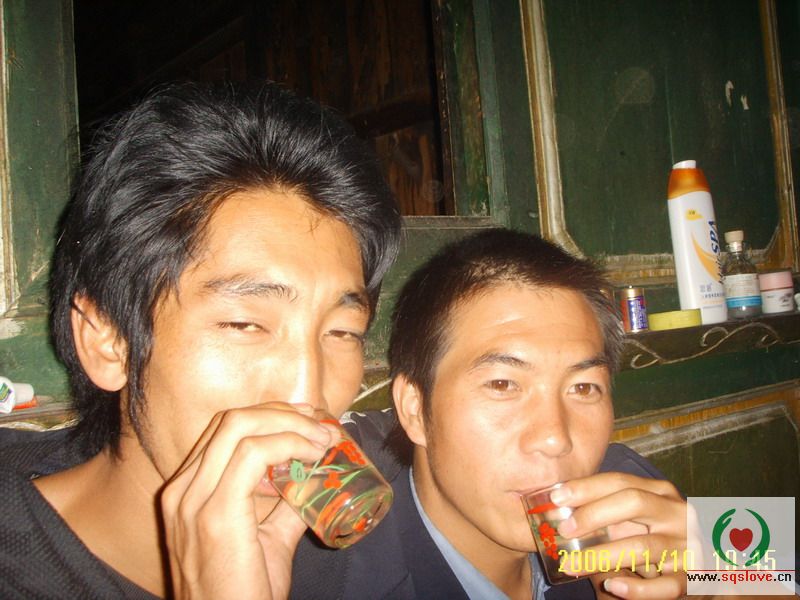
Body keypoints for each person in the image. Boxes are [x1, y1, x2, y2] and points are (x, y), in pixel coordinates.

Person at [0, 80, 400, 599]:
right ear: (107, 341)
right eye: (245, 324)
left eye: (342, 331)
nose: (309, 393)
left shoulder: (340, 548)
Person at [291, 229, 688, 600]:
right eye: (502, 384)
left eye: (583, 388)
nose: (555, 438)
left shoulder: (627, 496)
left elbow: (725, 559)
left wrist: (711, 580)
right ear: (414, 409)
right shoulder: (327, 577)